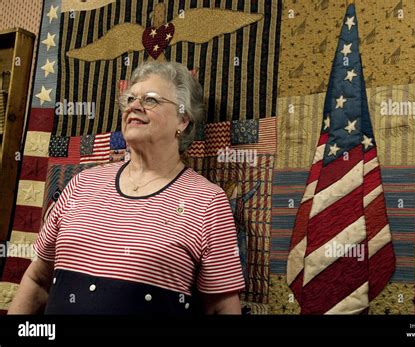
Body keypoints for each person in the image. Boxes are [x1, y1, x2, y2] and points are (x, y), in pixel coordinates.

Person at [8, 61, 245, 315]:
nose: (133, 105)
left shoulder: (207, 202)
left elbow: (222, 307)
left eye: (151, 99)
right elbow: (37, 281)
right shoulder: (80, 185)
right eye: (130, 98)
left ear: (183, 119)